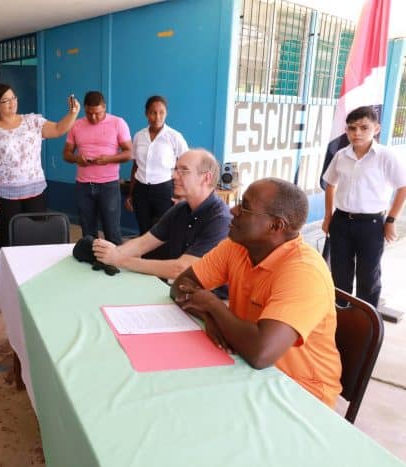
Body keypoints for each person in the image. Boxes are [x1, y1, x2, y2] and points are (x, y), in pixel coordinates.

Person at [172, 178, 342, 406]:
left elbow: (261, 353)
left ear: (276, 226)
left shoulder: (304, 272)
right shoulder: (237, 246)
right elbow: (181, 285)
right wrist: (210, 318)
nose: (233, 210)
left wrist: (213, 306)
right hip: (245, 369)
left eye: (245, 207)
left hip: (299, 395)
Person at [93, 149, 229, 281]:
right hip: (182, 290)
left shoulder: (220, 220)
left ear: (206, 178)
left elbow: (182, 269)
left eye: (183, 170)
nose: (174, 176)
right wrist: (111, 253)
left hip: (211, 298)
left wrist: (120, 260)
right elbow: (143, 243)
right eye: (175, 169)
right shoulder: (181, 209)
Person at [0, 83, 80, 250]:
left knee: (35, 237)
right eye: (5, 101)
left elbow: (58, 129)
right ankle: (8, 275)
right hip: (4, 196)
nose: (12, 103)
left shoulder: (33, 122)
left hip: (35, 192)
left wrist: (73, 113)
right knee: (8, 239)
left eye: (13, 98)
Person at [322, 106, 406, 308]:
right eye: (352, 128)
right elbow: (330, 184)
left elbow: (403, 187)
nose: (357, 133)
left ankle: (365, 324)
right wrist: (328, 217)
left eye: (363, 127)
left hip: (371, 224)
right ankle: (340, 318)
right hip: (341, 221)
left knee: (368, 275)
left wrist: (391, 221)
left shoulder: (385, 156)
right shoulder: (341, 155)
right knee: (340, 273)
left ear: (376, 128)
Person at [63, 91, 133, 245]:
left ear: (104, 108)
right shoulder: (76, 125)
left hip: (109, 185)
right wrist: (77, 159)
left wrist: (109, 159)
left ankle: (114, 265)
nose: (93, 117)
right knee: (88, 232)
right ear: (84, 110)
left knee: (112, 231)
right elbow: (66, 154)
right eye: (89, 113)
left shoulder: (117, 123)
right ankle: (91, 262)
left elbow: (130, 152)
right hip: (83, 186)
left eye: (98, 113)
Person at [126, 96, 188, 234]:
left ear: (166, 113)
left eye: (161, 112)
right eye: (153, 112)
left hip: (164, 190)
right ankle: (143, 256)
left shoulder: (174, 137)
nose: (157, 117)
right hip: (140, 190)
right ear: (146, 113)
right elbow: (135, 165)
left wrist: (182, 195)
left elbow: (185, 167)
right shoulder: (138, 136)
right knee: (143, 229)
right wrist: (131, 194)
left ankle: (161, 256)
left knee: (164, 231)